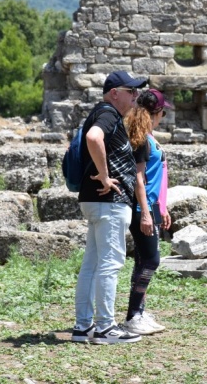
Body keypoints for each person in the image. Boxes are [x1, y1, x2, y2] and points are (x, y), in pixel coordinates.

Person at [71, 70, 147, 344]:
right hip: (109, 202)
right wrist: (104, 175)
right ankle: (105, 327)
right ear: (115, 93)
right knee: (111, 263)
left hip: (94, 201)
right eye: (131, 91)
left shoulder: (103, 113)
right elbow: (93, 137)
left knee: (92, 263)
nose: (136, 96)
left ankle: (83, 327)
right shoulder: (108, 114)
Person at [121, 88, 173, 335]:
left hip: (151, 205)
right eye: (163, 112)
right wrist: (145, 213)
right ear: (158, 112)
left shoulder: (149, 137)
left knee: (143, 259)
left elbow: (157, 176)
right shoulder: (141, 138)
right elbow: (139, 178)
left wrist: (162, 208)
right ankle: (133, 316)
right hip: (142, 206)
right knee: (151, 260)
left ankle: (138, 311)